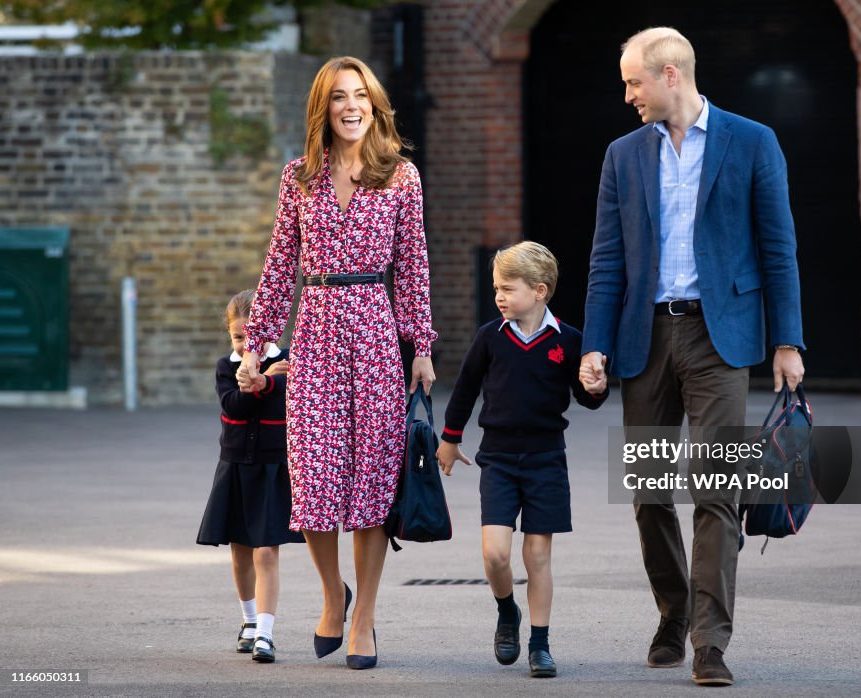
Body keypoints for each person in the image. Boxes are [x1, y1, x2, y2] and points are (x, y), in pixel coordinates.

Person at [581, 27, 806, 687]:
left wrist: (788, 341)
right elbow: (606, 259)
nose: (627, 96)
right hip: (643, 339)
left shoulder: (753, 141)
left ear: (671, 73)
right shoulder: (622, 156)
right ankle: (673, 610)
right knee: (650, 492)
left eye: (633, 82)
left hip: (720, 339)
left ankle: (710, 642)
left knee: (717, 489)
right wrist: (594, 344)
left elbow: (779, 246)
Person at [238, 56, 437, 670]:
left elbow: (412, 267)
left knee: (372, 486)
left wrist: (422, 346)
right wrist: (256, 346)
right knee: (316, 481)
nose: (351, 106)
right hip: (317, 333)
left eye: (361, 96)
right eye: (338, 97)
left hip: (375, 334)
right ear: (321, 109)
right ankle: (332, 598)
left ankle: (366, 620)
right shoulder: (298, 178)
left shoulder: (402, 176)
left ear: (375, 105)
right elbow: (277, 269)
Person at [436, 241, 609, 678]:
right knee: (495, 555)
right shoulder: (489, 338)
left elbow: (587, 401)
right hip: (498, 458)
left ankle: (540, 644)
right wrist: (450, 440)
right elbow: (465, 392)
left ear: (540, 290)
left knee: (537, 556)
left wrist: (595, 386)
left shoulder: (568, 341)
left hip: (547, 459)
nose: (499, 296)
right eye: (496, 287)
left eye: (507, 288)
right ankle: (506, 611)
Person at [197, 289, 304, 664]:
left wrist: (268, 381)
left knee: (266, 552)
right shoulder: (226, 367)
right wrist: (261, 383)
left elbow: (288, 396)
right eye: (238, 337)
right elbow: (233, 407)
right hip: (235, 467)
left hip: (274, 469)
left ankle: (266, 633)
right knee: (240, 552)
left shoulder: (288, 361)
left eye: (252, 336)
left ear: (270, 330)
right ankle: (248, 621)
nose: (245, 344)